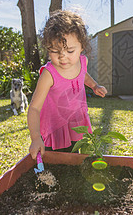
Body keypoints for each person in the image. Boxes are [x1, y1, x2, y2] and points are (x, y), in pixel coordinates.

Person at [27, 10, 107, 160]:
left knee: (80, 158)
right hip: (56, 126)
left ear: (82, 46)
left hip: (77, 120)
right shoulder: (49, 74)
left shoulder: (83, 61)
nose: (63, 57)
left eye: (70, 51)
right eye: (55, 51)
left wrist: (94, 86)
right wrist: (36, 137)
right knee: (58, 161)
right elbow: (35, 108)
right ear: (47, 48)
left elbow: (83, 75)